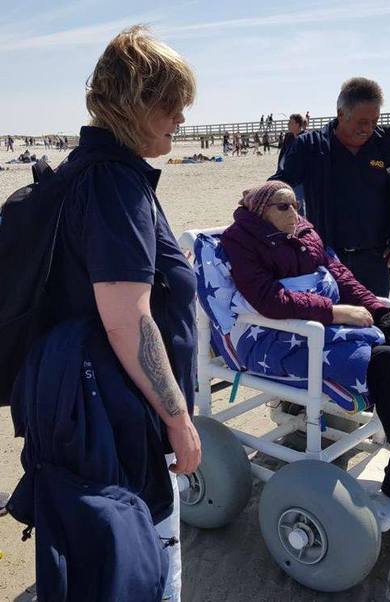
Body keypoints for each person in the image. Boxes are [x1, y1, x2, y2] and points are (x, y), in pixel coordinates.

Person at [41, 26, 200, 599]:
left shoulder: (89, 171)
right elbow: (126, 320)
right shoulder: (114, 183)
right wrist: (178, 419)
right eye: (171, 103)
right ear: (134, 102)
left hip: (90, 413)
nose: (181, 117)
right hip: (119, 422)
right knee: (150, 573)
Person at [221, 181, 390, 522]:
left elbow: (340, 275)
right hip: (278, 334)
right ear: (261, 210)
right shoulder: (241, 240)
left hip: (316, 323)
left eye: (296, 205)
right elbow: (266, 298)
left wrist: (378, 311)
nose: (294, 214)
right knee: (384, 361)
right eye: (283, 207)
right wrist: (336, 312)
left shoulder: (305, 232)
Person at [271, 77, 390, 297]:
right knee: (329, 317)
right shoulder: (310, 146)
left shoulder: (388, 148)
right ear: (341, 114)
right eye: (361, 122)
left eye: (374, 121)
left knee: (376, 317)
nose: (368, 128)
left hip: (375, 261)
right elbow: (281, 184)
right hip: (324, 258)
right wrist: (263, 197)